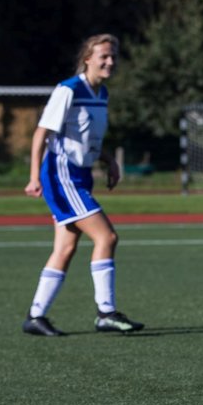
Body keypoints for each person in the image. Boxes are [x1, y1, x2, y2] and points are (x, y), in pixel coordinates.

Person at [21, 34, 145, 337]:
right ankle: (106, 312)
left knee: (65, 247)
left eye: (113, 56)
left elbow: (85, 138)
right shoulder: (68, 89)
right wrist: (34, 175)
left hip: (80, 175)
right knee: (107, 237)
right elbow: (41, 134)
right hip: (62, 175)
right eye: (104, 55)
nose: (110, 62)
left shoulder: (101, 94)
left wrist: (108, 160)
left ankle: (36, 316)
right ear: (87, 58)